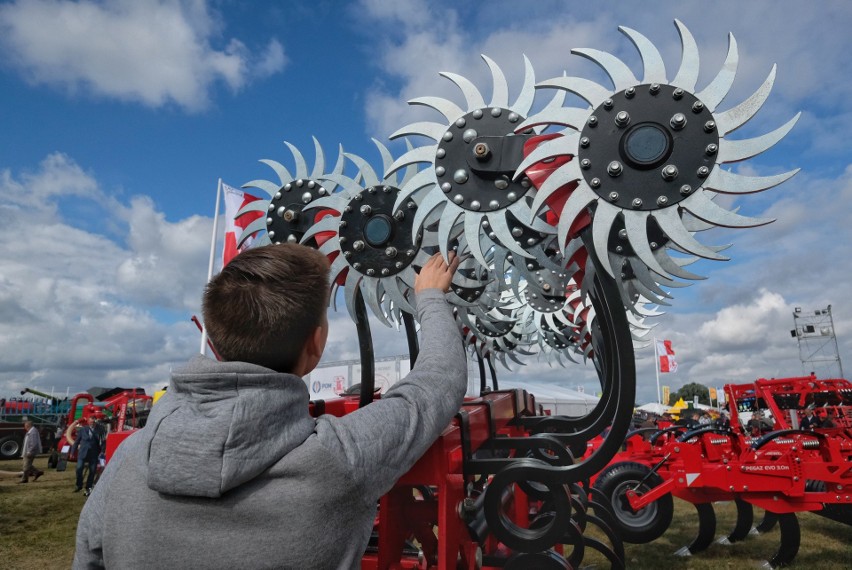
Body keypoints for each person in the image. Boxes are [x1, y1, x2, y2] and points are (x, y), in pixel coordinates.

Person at [74, 244, 465, 569]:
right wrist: (430, 297)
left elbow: (88, 559)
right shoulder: (340, 459)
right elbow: (437, 382)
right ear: (315, 345)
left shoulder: (129, 458)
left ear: (214, 342)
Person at [71, 416, 102, 495]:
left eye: (94, 422)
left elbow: (102, 441)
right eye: (91, 422)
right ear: (88, 422)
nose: (92, 423)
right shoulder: (83, 430)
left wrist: (102, 451)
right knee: (79, 468)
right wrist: (72, 452)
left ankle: (88, 487)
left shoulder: (99, 430)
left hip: (94, 453)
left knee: (92, 471)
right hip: (83, 452)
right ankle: (79, 485)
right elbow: (77, 441)